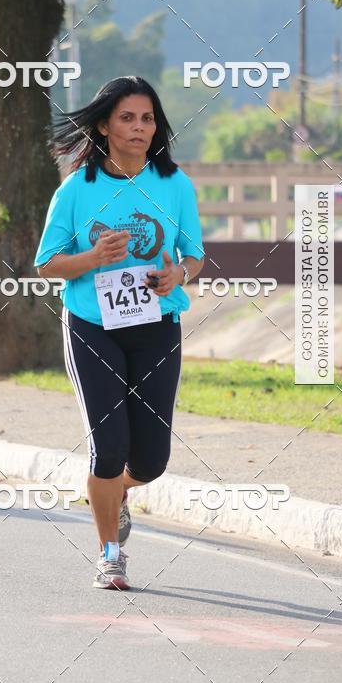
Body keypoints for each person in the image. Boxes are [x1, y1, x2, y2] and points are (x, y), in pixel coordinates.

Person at [34, 76, 205, 590]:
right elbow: (46, 264)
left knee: (150, 460)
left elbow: (194, 254)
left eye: (147, 118)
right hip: (93, 327)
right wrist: (91, 259)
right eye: (127, 118)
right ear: (105, 125)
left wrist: (179, 274)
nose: (139, 127)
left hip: (156, 326)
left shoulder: (174, 184)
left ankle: (119, 491)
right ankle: (110, 554)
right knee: (108, 449)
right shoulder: (76, 188)